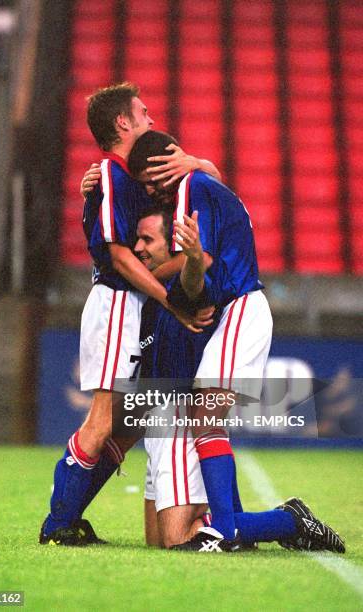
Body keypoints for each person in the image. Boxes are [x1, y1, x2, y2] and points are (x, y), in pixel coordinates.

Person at [39, 83, 221, 546]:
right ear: (124, 122)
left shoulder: (132, 173)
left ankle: (67, 519)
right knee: (103, 421)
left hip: (133, 307)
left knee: (130, 422)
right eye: (143, 111)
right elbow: (119, 259)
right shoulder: (111, 176)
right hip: (118, 301)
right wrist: (170, 300)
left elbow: (214, 182)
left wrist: (197, 164)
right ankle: (58, 525)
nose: (151, 117)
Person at [134, 207, 345, 554]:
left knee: (179, 539)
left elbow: (198, 280)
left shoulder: (187, 291)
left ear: (175, 247)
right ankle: (245, 528)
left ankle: (288, 521)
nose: (139, 247)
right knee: (156, 539)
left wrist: (193, 258)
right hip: (157, 421)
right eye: (136, 239)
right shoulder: (150, 292)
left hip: (177, 415)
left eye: (148, 240)